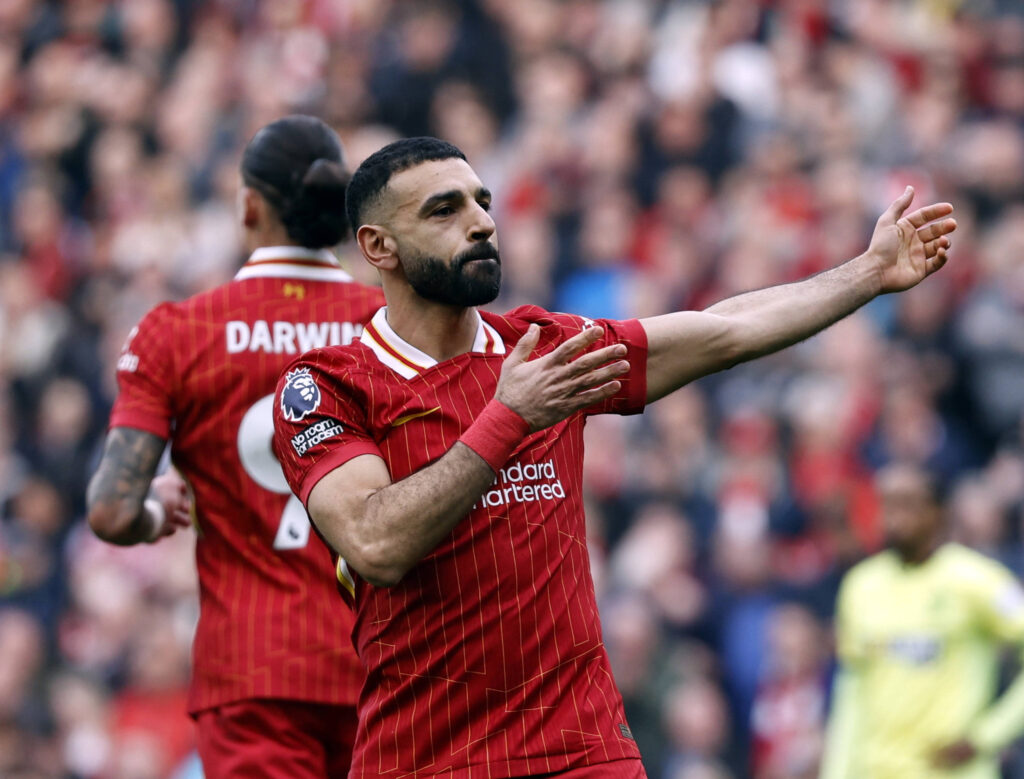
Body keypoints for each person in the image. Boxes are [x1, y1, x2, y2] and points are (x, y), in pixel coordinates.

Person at [270, 137, 956, 778]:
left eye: (482, 202)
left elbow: (722, 332)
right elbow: (373, 540)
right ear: (378, 246)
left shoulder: (545, 346)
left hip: (581, 747)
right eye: (443, 209)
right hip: (426, 755)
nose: (479, 223)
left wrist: (866, 274)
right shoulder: (327, 386)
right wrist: (509, 418)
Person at [86, 115, 384, 778]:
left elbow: (111, 509)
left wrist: (154, 512)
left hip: (251, 670)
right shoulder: (386, 328)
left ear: (249, 204)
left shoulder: (181, 332)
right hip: (383, 666)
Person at [821, 463, 1024, 779]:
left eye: (908, 504)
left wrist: (986, 735)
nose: (894, 517)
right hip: (877, 770)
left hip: (952, 772)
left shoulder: (978, 581)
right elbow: (852, 687)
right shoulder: (860, 586)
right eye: (886, 504)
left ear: (939, 512)